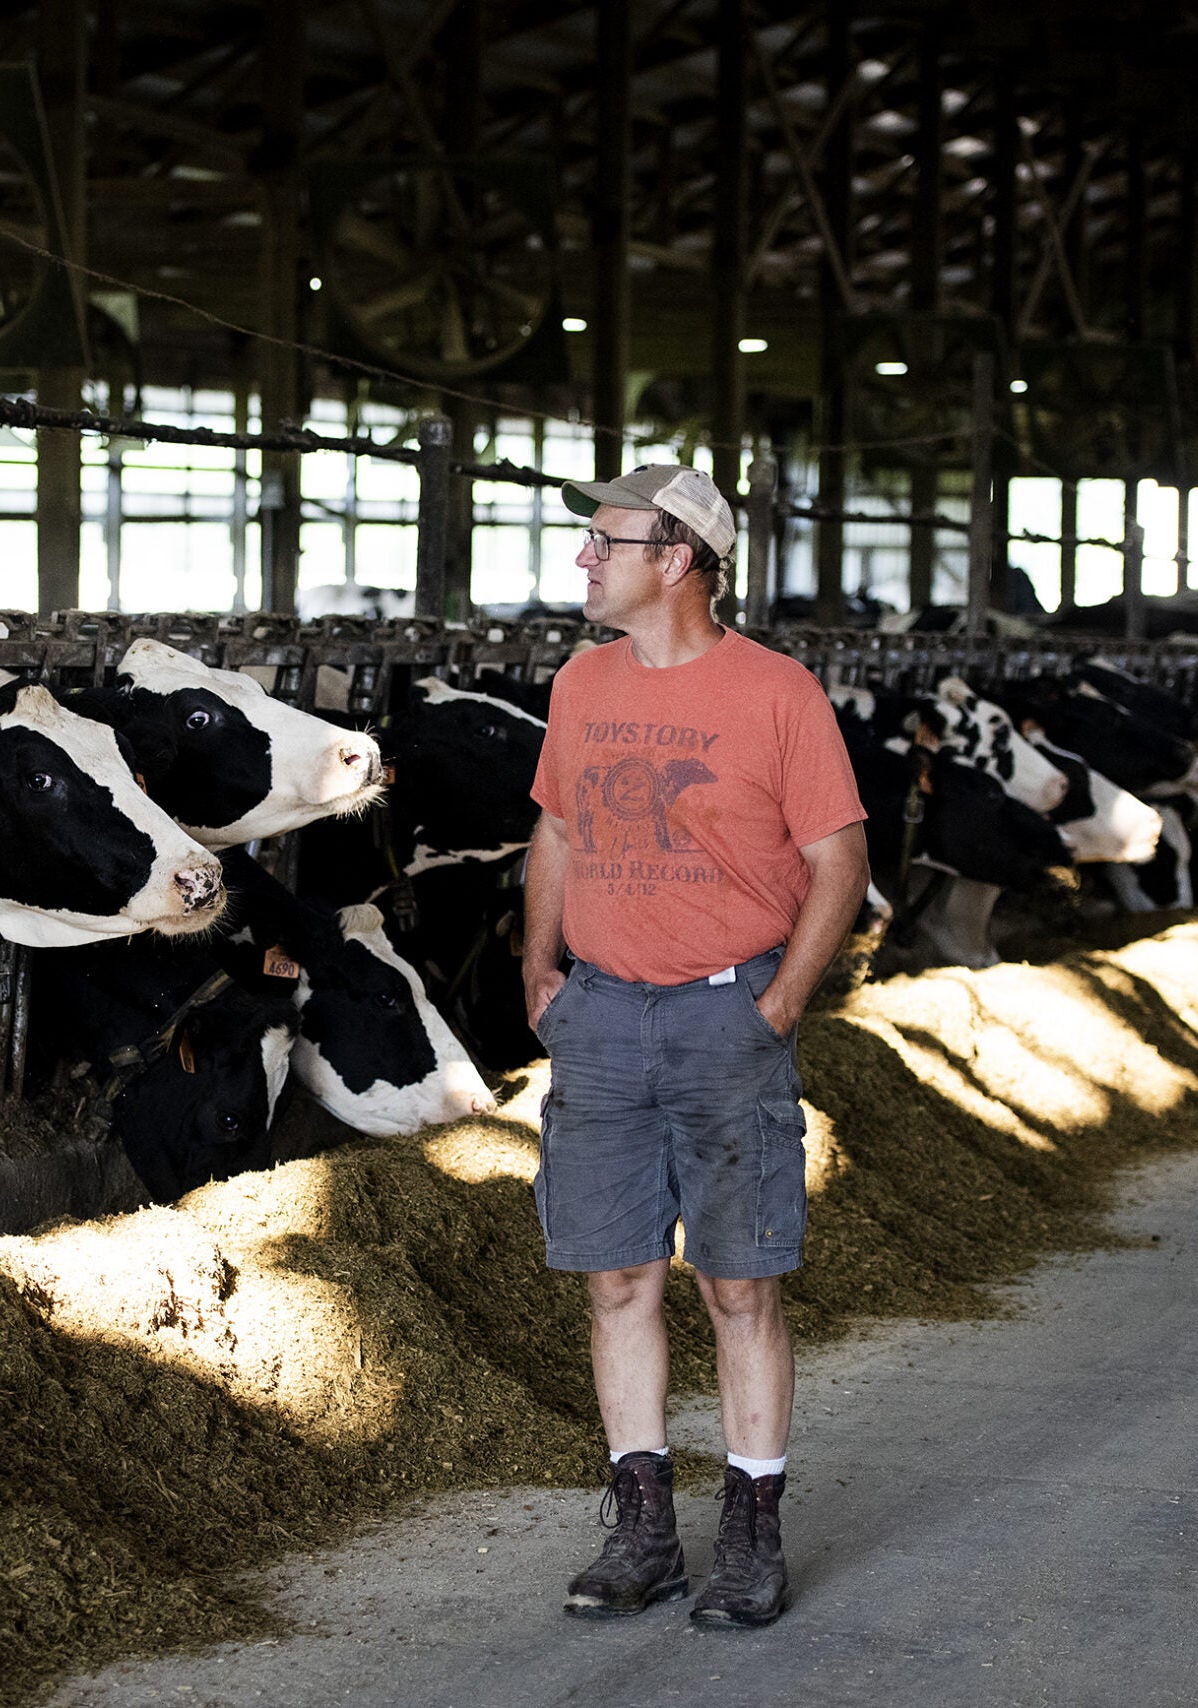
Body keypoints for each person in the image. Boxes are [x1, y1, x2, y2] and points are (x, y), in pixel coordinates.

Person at [522, 464, 869, 1629]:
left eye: (602, 541)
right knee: (617, 1276)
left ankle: (752, 1535)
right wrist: (540, 970)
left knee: (736, 1286)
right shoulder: (580, 683)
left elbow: (839, 863)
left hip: (728, 1014)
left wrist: (776, 1008)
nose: (581, 558)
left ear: (676, 559)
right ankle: (643, 1532)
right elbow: (559, 828)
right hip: (603, 1018)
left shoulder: (777, 694)